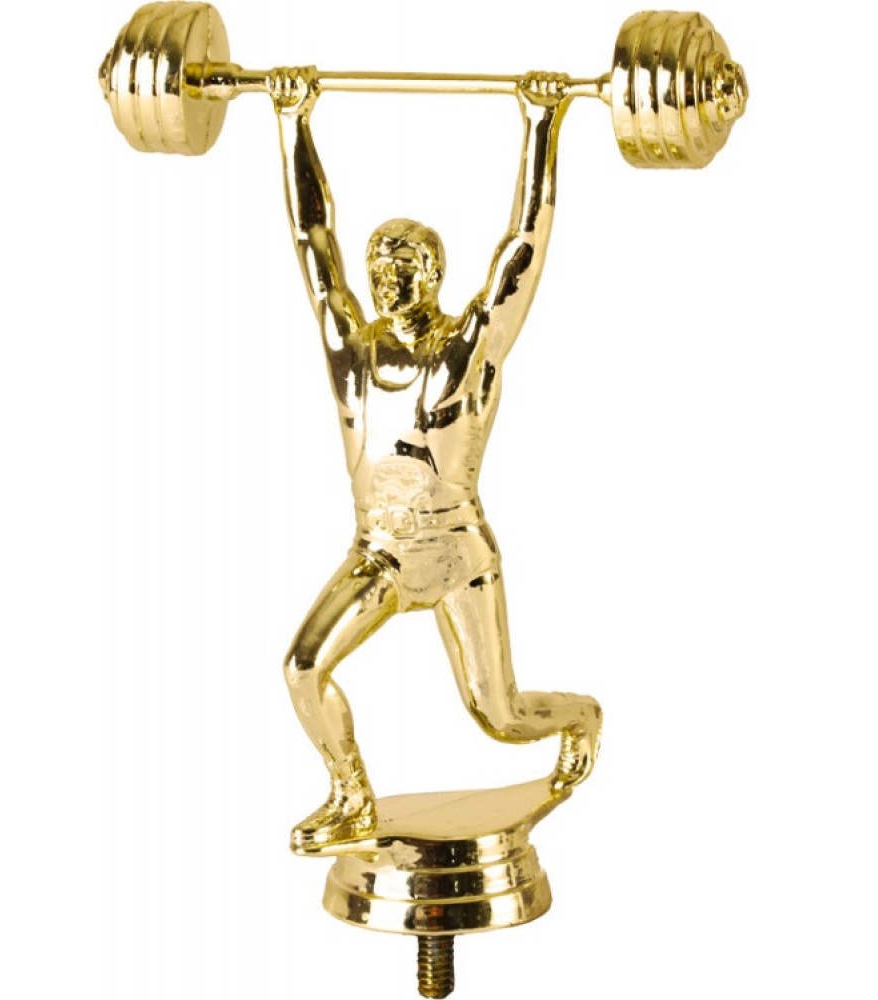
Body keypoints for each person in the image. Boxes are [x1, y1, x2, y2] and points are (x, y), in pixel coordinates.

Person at [269, 67, 602, 851]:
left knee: (499, 715)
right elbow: (313, 241)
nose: (386, 279)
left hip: (457, 557)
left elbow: (523, 249)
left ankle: (582, 717)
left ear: (434, 275)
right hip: (380, 555)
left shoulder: (465, 352)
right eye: (378, 267)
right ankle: (351, 796)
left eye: (403, 267)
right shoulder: (351, 351)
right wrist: (292, 121)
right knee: (303, 667)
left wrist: (541, 125)